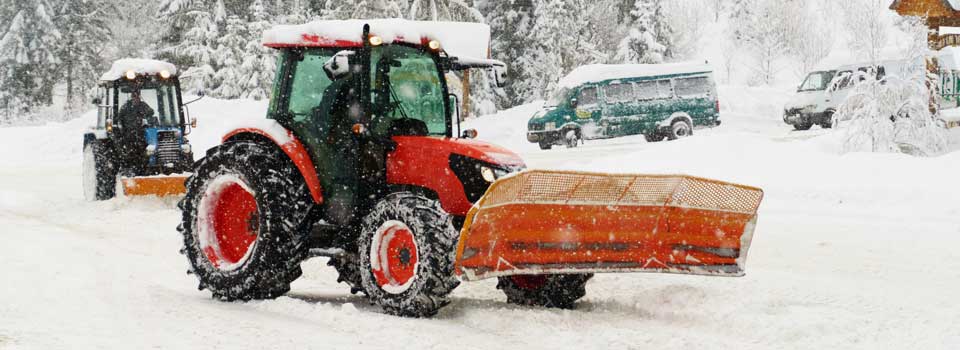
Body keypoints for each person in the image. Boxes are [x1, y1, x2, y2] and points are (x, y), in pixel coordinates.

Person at [116, 89, 154, 175]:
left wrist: (144, 114)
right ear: (131, 96)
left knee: (145, 147)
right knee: (130, 151)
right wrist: (122, 129)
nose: (136, 98)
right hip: (128, 134)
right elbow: (119, 119)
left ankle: (148, 166)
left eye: (137, 96)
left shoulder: (143, 105)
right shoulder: (125, 107)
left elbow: (151, 112)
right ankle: (130, 168)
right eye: (134, 96)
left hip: (141, 133)